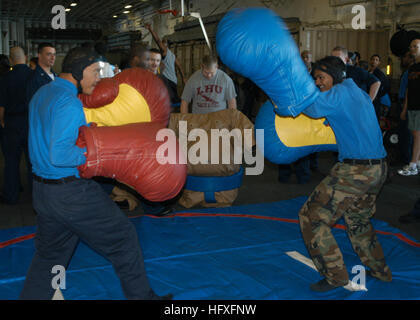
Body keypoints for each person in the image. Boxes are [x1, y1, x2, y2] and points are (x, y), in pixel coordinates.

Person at [20, 46, 171, 300]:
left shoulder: (42, 93)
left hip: (44, 193)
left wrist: (86, 134)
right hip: (71, 192)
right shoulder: (69, 101)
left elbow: (46, 141)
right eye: (95, 72)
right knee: (123, 239)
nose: (99, 79)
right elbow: (59, 155)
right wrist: (99, 155)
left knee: (50, 255)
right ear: (79, 70)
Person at [298, 56, 392, 292]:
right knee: (358, 220)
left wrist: (291, 94)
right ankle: (380, 270)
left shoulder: (339, 93)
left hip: (356, 169)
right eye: (315, 78)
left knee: (312, 217)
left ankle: (335, 276)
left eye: (321, 77)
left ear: (335, 75)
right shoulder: (357, 92)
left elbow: (312, 108)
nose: (318, 82)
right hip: (378, 168)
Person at [0, 47, 32, 205]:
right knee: (32, 161)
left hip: (11, 123)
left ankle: (11, 195)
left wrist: (2, 122)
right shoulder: (34, 76)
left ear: (11, 60)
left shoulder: (5, 78)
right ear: (26, 57)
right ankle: (35, 195)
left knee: (11, 161)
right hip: (31, 123)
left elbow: (1, 105)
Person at [398, 37, 420, 176]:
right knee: (414, 133)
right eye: (411, 46)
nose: (412, 49)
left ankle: (412, 164)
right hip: (412, 105)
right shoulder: (412, 68)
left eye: (415, 46)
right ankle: (417, 163)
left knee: (418, 135)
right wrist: (405, 108)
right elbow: (408, 90)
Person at [397, 51, 415, 165]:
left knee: (407, 133)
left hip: (407, 103)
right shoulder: (407, 71)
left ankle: (407, 159)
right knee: (403, 132)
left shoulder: (412, 72)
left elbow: (409, 91)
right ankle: (404, 157)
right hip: (402, 102)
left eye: (404, 57)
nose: (402, 59)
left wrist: (404, 108)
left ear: (410, 58)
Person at [369, 54, 391, 121]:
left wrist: (378, 95)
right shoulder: (368, 72)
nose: (374, 61)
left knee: (375, 117)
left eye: (376, 60)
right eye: (373, 59)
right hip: (369, 97)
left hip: (376, 99)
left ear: (379, 63)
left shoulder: (380, 74)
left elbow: (387, 87)